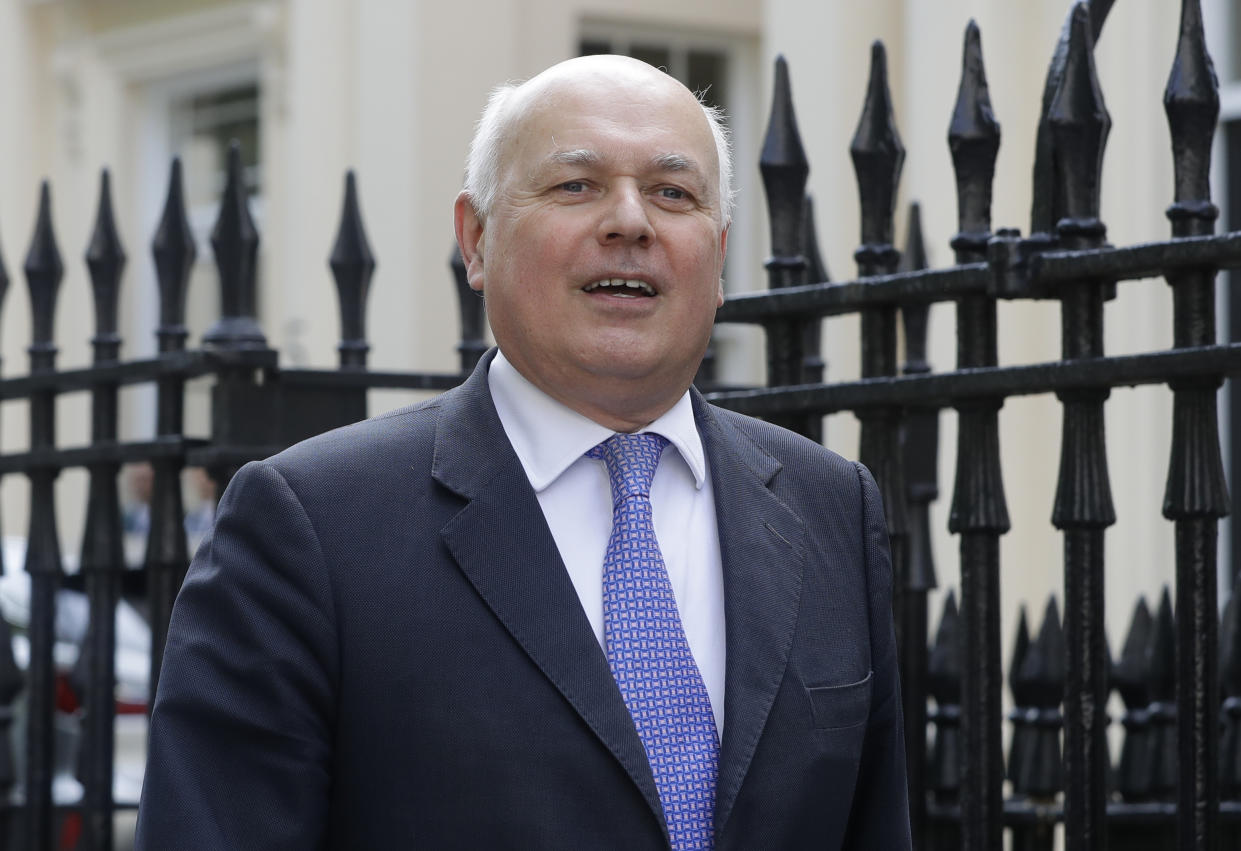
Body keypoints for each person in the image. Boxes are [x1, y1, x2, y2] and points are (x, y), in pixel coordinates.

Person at [135, 55, 909, 850]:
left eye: (672, 193)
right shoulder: (313, 525)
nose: (630, 222)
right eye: (575, 185)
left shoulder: (830, 506)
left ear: (717, 257)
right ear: (474, 239)